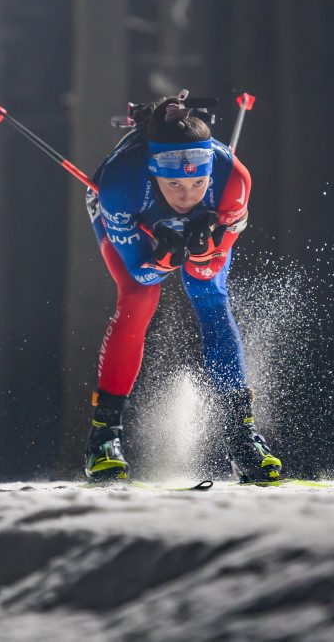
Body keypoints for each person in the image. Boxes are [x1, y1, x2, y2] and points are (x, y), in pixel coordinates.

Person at [80, 92, 282, 483]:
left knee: (210, 296)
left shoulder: (233, 179)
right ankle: (103, 438)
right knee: (139, 298)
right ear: (155, 173)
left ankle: (242, 438)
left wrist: (203, 252)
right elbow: (140, 274)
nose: (187, 196)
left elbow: (208, 272)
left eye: (197, 182)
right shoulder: (120, 183)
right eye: (174, 183)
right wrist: (160, 262)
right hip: (131, 213)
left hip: (207, 215)